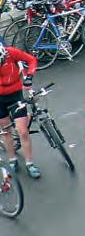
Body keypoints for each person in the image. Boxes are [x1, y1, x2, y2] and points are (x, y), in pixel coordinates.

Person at [0, 42, 39, 179]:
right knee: (6, 131)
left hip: (15, 95)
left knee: (22, 131)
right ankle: (12, 159)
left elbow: (31, 60)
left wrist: (29, 77)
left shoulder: (11, 52)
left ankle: (30, 164)